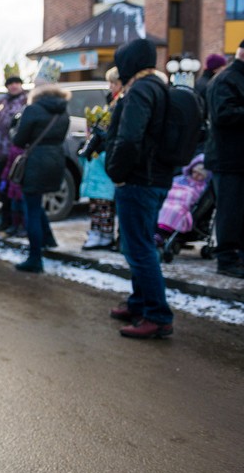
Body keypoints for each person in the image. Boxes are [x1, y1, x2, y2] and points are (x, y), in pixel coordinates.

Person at [104, 38, 175, 338]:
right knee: (140, 245)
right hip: (152, 178)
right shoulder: (158, 87)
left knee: (139, 249)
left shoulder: (141, 90)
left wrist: (116, 171)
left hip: (138, 181)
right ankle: (140, 303)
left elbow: (130, 138)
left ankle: (157, 315)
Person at [10, 58, 69, 273]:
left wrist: (13, 129)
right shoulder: (63, 110)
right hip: (56, 160)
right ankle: (49, 240)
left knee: (31, 210)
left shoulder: (33, 109)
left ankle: (35, 258)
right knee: (37, 204)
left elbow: (18, 140)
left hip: (35, 161)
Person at [204, 40, 244, 278]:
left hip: (236, 159)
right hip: (228, 159)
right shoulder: (226, 79)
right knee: (230, 211)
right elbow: (223, 115)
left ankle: (236, 257)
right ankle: (227, 259)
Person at [79, 66, 121, 250]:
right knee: (96, 203)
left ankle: (105, 233)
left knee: (105, 204)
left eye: (114, 82)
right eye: (110, 82)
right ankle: (97, 231)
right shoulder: (110, 103)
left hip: (105, 161)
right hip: (97, 161)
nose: (111, 86)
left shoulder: (119, 104)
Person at [0, 75, 28, 231]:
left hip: (17, 155)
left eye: (17, 83)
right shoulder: (1, 102)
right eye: (11, 83)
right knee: (3, 190)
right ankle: (5, 220)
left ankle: (17, 222)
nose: (14, 86)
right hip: (0, 152)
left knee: (16, 191)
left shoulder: (26, 101)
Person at [155, 153, 211, 245]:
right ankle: (156, 232)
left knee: (174, 211)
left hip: (182, 206)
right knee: (161, 207)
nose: (196, 176)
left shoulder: (202, 187)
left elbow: (195, 198)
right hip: (169, 201)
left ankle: (161, 234)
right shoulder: (181, 179)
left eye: (200, 175)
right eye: (195, 172)